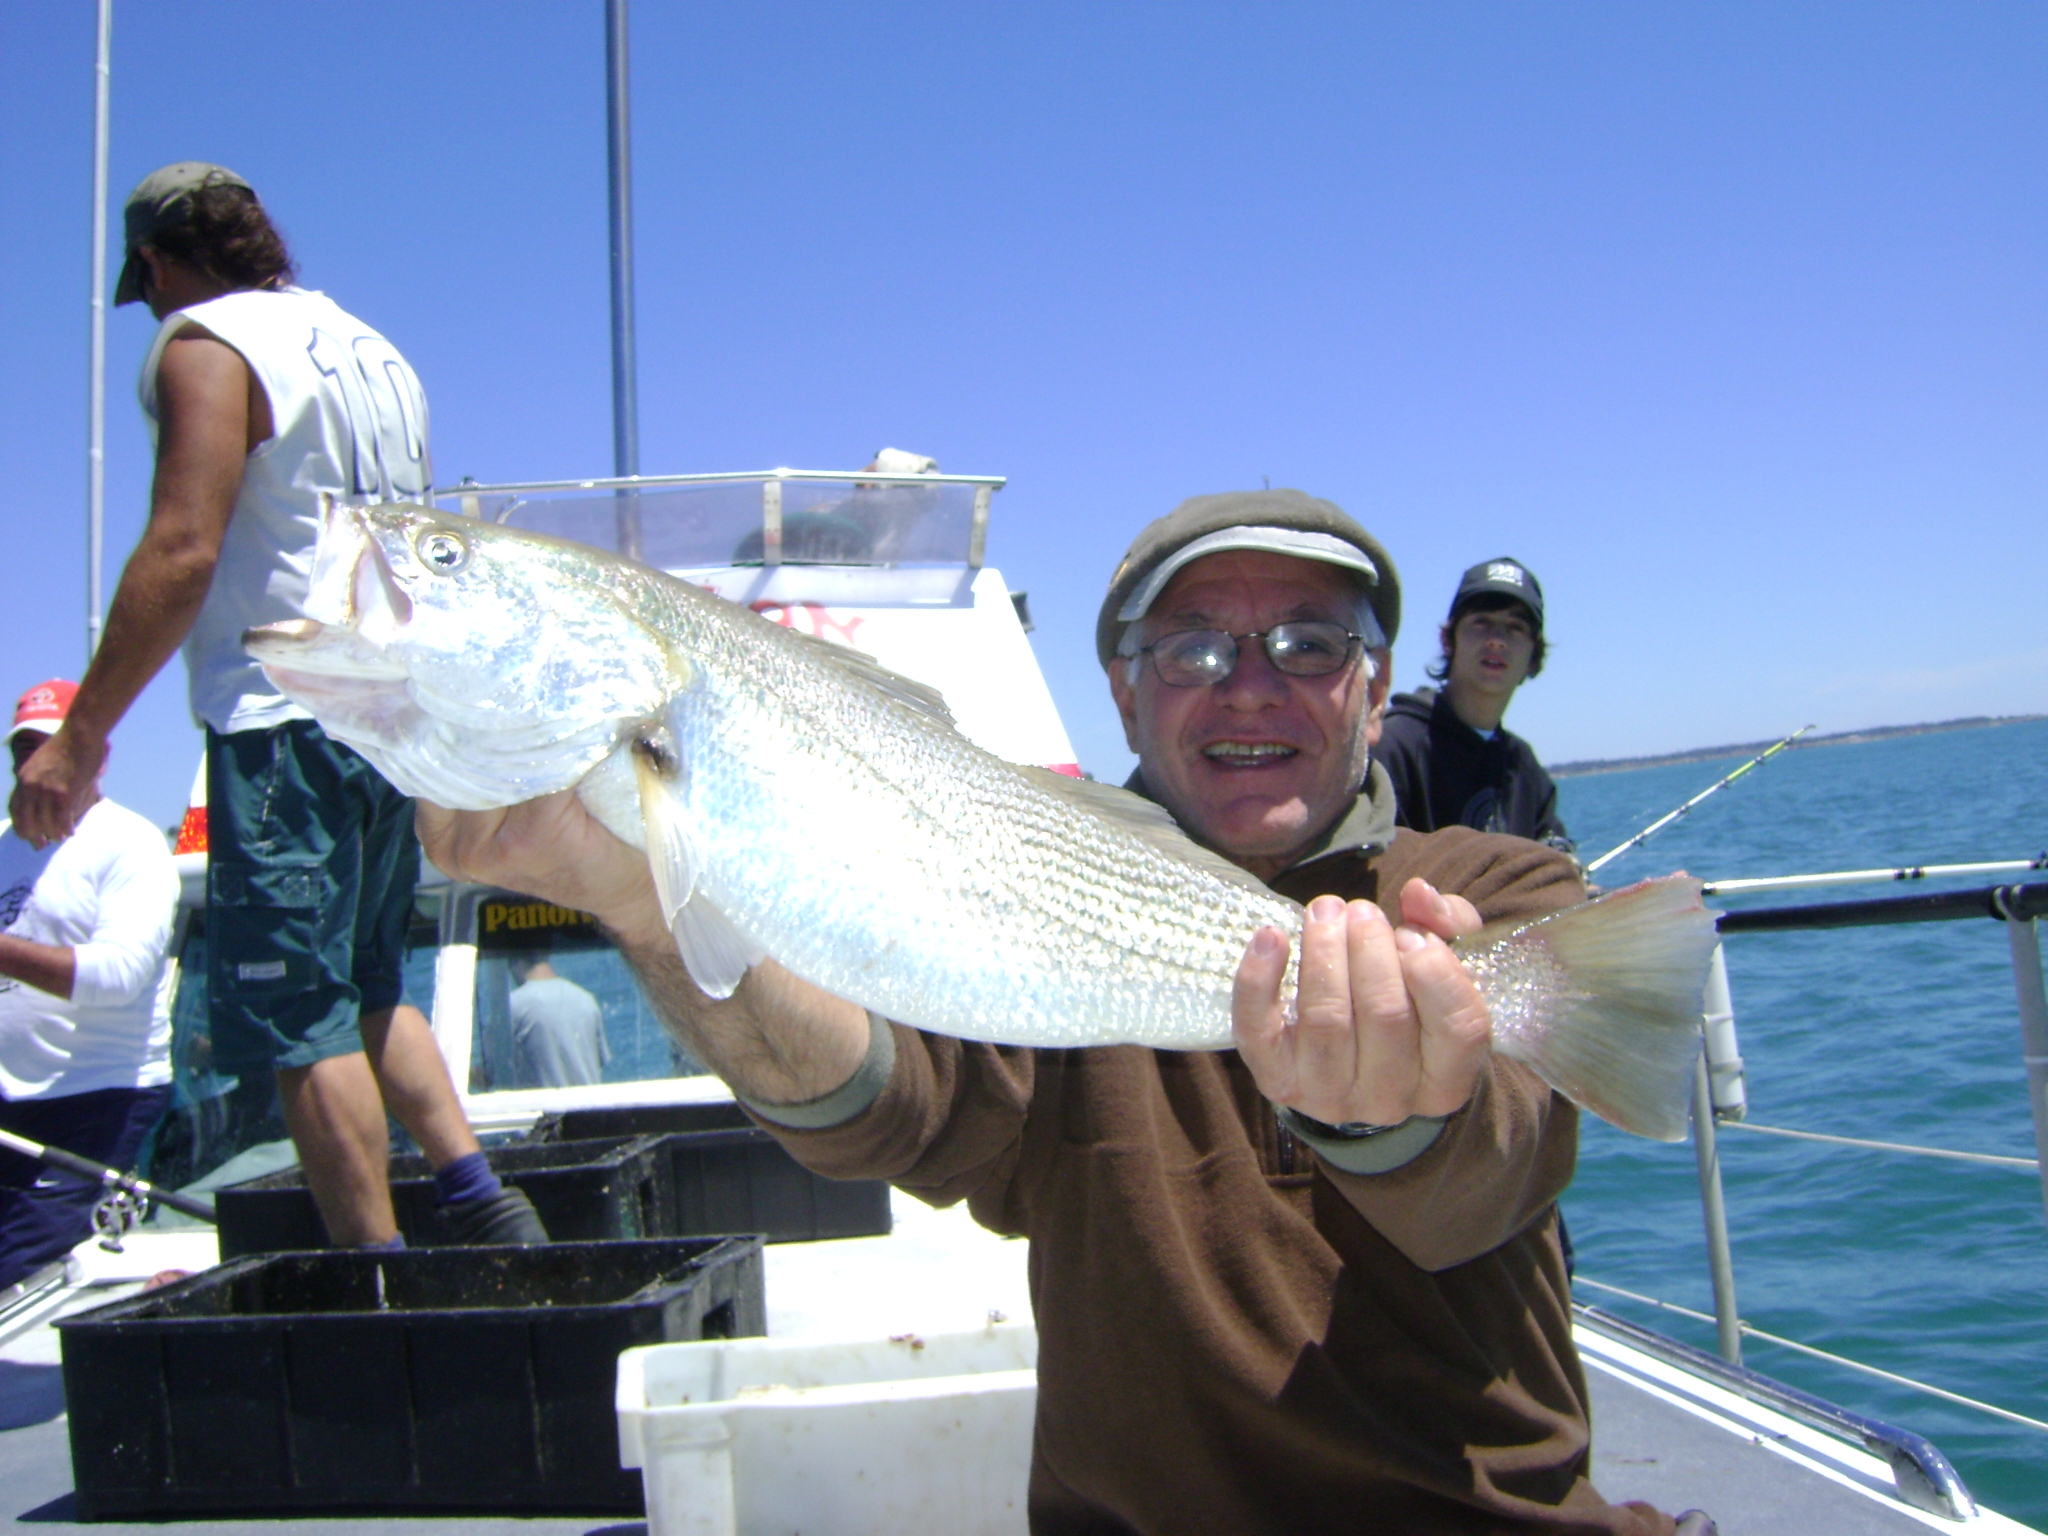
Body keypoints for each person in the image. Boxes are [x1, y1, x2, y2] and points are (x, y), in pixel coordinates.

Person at [416, 488, 1707, 1534]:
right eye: (1194, 647)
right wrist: (639, 904)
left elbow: (1494, 1173)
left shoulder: (1495, 887)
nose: (1251, 684)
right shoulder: (1010, 895)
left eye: (1309, 643)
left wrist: (1403, 1111)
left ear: (1375, 690)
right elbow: (889, 1114)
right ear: (1125, 691)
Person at [7, 163, 542, 1249]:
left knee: (299, 1023)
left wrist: (82, 733)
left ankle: (375, 1282)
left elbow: (185, 542)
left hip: (284, 715)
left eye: (147, 285)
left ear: (160, 262)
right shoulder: (373, 349)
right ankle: (483, 1204)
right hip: (392, 716)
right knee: (368, 983)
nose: (152, 310)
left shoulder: (207, 343)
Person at [0, 682, 180, 1289]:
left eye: (49, 748)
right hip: (8, 1107)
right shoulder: (2, 845)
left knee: (29, 1281)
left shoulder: (130, 844)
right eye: (22, 750)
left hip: (98, 1103)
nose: (33, 768)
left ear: (95, 757)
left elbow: (119, 976)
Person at [1377, 557, 1575, 855]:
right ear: (1448, 640)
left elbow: (1559, 873)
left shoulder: (1524, 767)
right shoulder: (1391, 748)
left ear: (1534, 655)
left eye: (1515, 627)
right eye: (1481, 622)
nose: (1496, 640)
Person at [507, 950, 608, 1088]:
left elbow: (493, 1076)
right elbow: (596, 1063)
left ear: (513, 960)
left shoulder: (510, 1007)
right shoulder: (586, 1000)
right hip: (590, 1107)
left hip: (543, 1108)